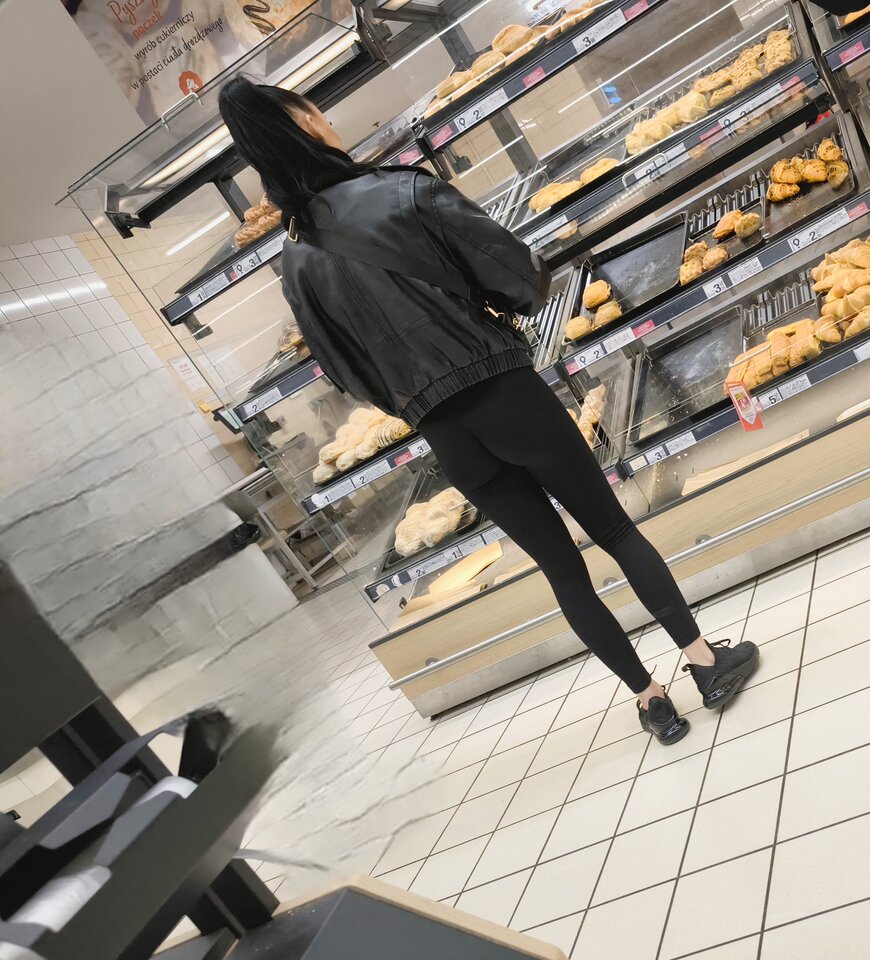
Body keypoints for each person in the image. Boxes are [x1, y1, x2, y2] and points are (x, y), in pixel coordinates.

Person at [218, 76, 760, 744]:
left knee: (562, 570)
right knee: (614, 531)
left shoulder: (297, 263)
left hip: (447, 433)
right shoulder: (400, 191)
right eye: (316, 112)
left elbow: (346, 373)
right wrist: (510, 307)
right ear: (304, 124)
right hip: (506, 393)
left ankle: (652, 703)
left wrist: (415, 400)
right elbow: (516, 272)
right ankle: (705, 664)